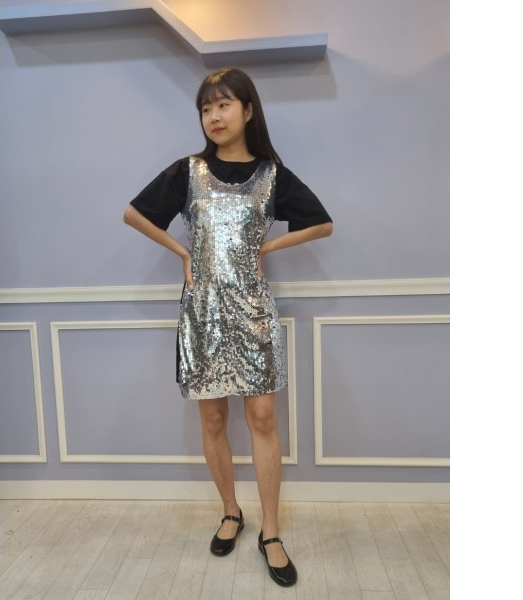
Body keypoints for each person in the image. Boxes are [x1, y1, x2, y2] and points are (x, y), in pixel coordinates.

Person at [124, 67, 333, 587]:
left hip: (254, 311)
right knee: (214, 419)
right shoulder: (188, 171)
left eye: (223, 104)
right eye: (205, 108)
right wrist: (182, 252)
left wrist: (267, 246)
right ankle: (230, 511)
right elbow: (134, 214)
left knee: (262, 417)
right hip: (202, 313)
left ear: (247, 110)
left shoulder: (272, 175)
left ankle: (271, 532)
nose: (214, 116)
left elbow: (322, 222)